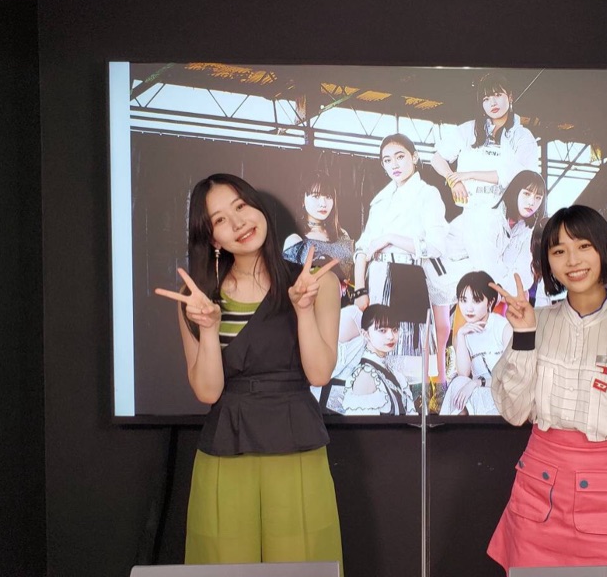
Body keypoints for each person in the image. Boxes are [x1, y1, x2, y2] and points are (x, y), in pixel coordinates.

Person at [154, 173, 344, 569]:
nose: (238, 223)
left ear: (258, 207)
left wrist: (302, 310)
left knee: (301, 564)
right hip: (227, 449)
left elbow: (319, 374)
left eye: (241, 206)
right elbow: (207, 392)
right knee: (225, 564)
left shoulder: (316, 284)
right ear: (212, 238)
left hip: (296, 445)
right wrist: (209, 328)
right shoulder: (197, 298)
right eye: (220, 219)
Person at [486, 204, 607, 571]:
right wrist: (524, 336)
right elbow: (514, 412)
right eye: (559, 251)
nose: (572, 260)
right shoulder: (535, 321)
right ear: (548, 263)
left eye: (583, 246)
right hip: (538, 486)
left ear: (603, 250)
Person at [352, 133, 450, 395]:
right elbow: (363, 247)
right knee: (377, 355)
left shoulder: (427, 194)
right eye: (387, 160)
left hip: (409, 277)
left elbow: (436, 246)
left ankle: (414, 411)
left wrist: (390, 238)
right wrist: (359, 289)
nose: (394, 165)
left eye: (400, 157)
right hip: (377, 278)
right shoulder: (380, 199)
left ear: (414, 157)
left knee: (410, 360)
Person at [431, 72, 539, 210]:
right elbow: (437, 158)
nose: (492, 103)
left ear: (510, 97)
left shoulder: (523, 137)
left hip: (505, 213)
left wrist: (470, 175)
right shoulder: (469, 129)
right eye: (486, 99)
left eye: (498, 95)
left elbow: (521, 175)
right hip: (467, 210)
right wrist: (453, 181)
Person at [444, 169, 546, 292]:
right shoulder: (489, 216)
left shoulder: (525, 228)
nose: (532, 202)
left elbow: (525, 271)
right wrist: (509, 289)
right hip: (448, 270)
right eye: (526, 194)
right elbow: (487, 269)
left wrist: (513, 289)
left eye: (538, 197)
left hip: (479, 283)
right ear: (516, 192)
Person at [440, 271, 512, 416]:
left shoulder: (504, 328)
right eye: (463, 300)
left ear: (490, 302)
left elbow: (510, 378)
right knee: (458, 384)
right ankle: (448, 429)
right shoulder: (464, 333)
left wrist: (477, 383)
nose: (469, 308)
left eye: (476, 301)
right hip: (480, 394)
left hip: (505, 396)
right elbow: (463, 374)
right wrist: (461, 336)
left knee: (466, 392)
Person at [283, 171, 355, 288]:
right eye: (316, 196)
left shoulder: (342, 234)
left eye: (328, 197)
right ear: (302, 200)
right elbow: (288, 286)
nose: (323, 203)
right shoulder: (295, 240)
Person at [342, 304, 416, 416]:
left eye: (395, 330)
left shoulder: (388, 371)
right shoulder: (366, 375)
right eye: (382, 330)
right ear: (365, 334)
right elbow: (363, 425)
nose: (391, 336)